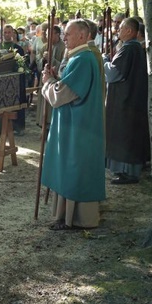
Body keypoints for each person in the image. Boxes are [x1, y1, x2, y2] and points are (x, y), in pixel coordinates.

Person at [40, 20, 105, 230]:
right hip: (77, 122)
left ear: (82, 36)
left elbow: (61, 95)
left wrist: (48, 83)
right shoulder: (80, 57)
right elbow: (71, 85)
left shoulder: (83, 59)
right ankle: (68, 216)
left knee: (74, 167)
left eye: (68, 34)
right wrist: (56, 78)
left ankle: (76, 219)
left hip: (78, 124)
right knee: (72, 166)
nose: (65, 37)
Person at [104, 17, 149, 185]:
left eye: (121, 28)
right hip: (132, 98)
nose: (118, 31)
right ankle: (125, 171)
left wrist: (104, 62)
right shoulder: (135, 49)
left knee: (126, 135)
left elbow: (114, 73)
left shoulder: (129, 49)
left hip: (126, 101)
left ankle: (128, 172)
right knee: (129, 135)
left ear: (129, 31)